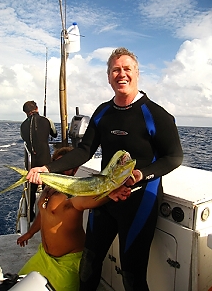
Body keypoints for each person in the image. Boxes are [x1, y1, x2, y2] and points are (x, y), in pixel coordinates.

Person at [26, 47, 183, 291]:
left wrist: (141, 175)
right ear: (108, 76)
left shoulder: (155, 115)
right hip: (104, 198)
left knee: (132, 273)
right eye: (115, 70)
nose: (122, 74)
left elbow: (174, 157)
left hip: (139, 200)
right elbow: (84, 151)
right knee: (89, 263)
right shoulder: (103, 113)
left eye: (127, 69)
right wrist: (47, 167)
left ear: (137, 73)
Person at [17, 147, 131, 291]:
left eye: (68, 167)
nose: (64, 171)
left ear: (75, 170)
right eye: (60, 165)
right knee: (17, 284)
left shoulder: (73, 193)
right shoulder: (48, 188)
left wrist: (109, 195)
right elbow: (43, 213)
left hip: (67, 263)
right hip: (43, 257)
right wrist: (30, 233)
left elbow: (86, 201)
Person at [20, 100, 57, 221]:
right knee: (48, 187)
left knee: (31, 187)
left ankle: (31, 215)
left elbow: (24, 138)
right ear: (36, 108)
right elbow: (55, 134)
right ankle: (48, 212)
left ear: (26, 113)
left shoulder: (22, 125)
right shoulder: (47, 120)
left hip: (31, 161)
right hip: (45, 160)